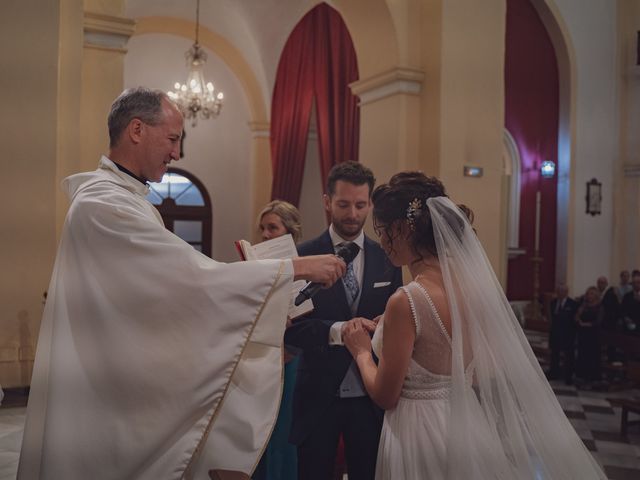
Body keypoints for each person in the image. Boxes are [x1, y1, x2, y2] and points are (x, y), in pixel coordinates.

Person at [17, 87, 345, 480]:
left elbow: (170, 290)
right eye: (173, 139)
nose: (177, 153)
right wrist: (295, 268)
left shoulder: (126, 201)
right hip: (105, 394)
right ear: (136, 129)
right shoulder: (103, 206)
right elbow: (189, 278)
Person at [343, 172, 606, 479]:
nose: (383, 242)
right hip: (466, 422)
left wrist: (361, 351)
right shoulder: (472, 289)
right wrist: (392, 329)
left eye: (384, 231)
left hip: (419, 430)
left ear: (402, 229)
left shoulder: (406, 299)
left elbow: (386, 395)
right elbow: (479, 369)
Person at [284, 161, 402, 480]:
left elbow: (398, 320)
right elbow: (291, 328)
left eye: (361, 205)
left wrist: (381, 326)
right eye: (344, 204)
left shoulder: (388, 259)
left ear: (370, 204)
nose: (352, 214)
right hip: (318, 394)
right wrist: (340, 332)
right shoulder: (302, 255)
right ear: (327, 202)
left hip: (371, 398)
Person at [253, 200, 302, 480]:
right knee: (260, 434)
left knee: (283, 433)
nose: (265, 234)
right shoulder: (256, 267)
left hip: (290, 359)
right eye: (263, 228)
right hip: (262, 363)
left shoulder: (304, 265)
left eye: (272, 227)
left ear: (289, 232)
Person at [547, 284, 579, 384]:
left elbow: (574, 320)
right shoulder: (553, 302)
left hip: (568, 333)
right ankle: (554, 373)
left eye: (563, 291)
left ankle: (568, 376)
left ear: (566, 292)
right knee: (554, 354)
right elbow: (551, 317)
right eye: (559, 291)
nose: (560, 293)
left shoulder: (572, 304)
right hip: (555, 333)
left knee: (569, 356)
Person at [575, 286, 604, 387]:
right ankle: (582, 376)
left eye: (591, 294)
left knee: (593, 356)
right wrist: (579, 317)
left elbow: (598, 321)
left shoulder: (599, 307)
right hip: (583, 335)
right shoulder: (584, 306)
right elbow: (577, 317)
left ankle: (593, 377)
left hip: (594, 336)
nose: (589, 296)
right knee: (583, 355)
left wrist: (586, 324)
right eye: (588, 294)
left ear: (596, 295)